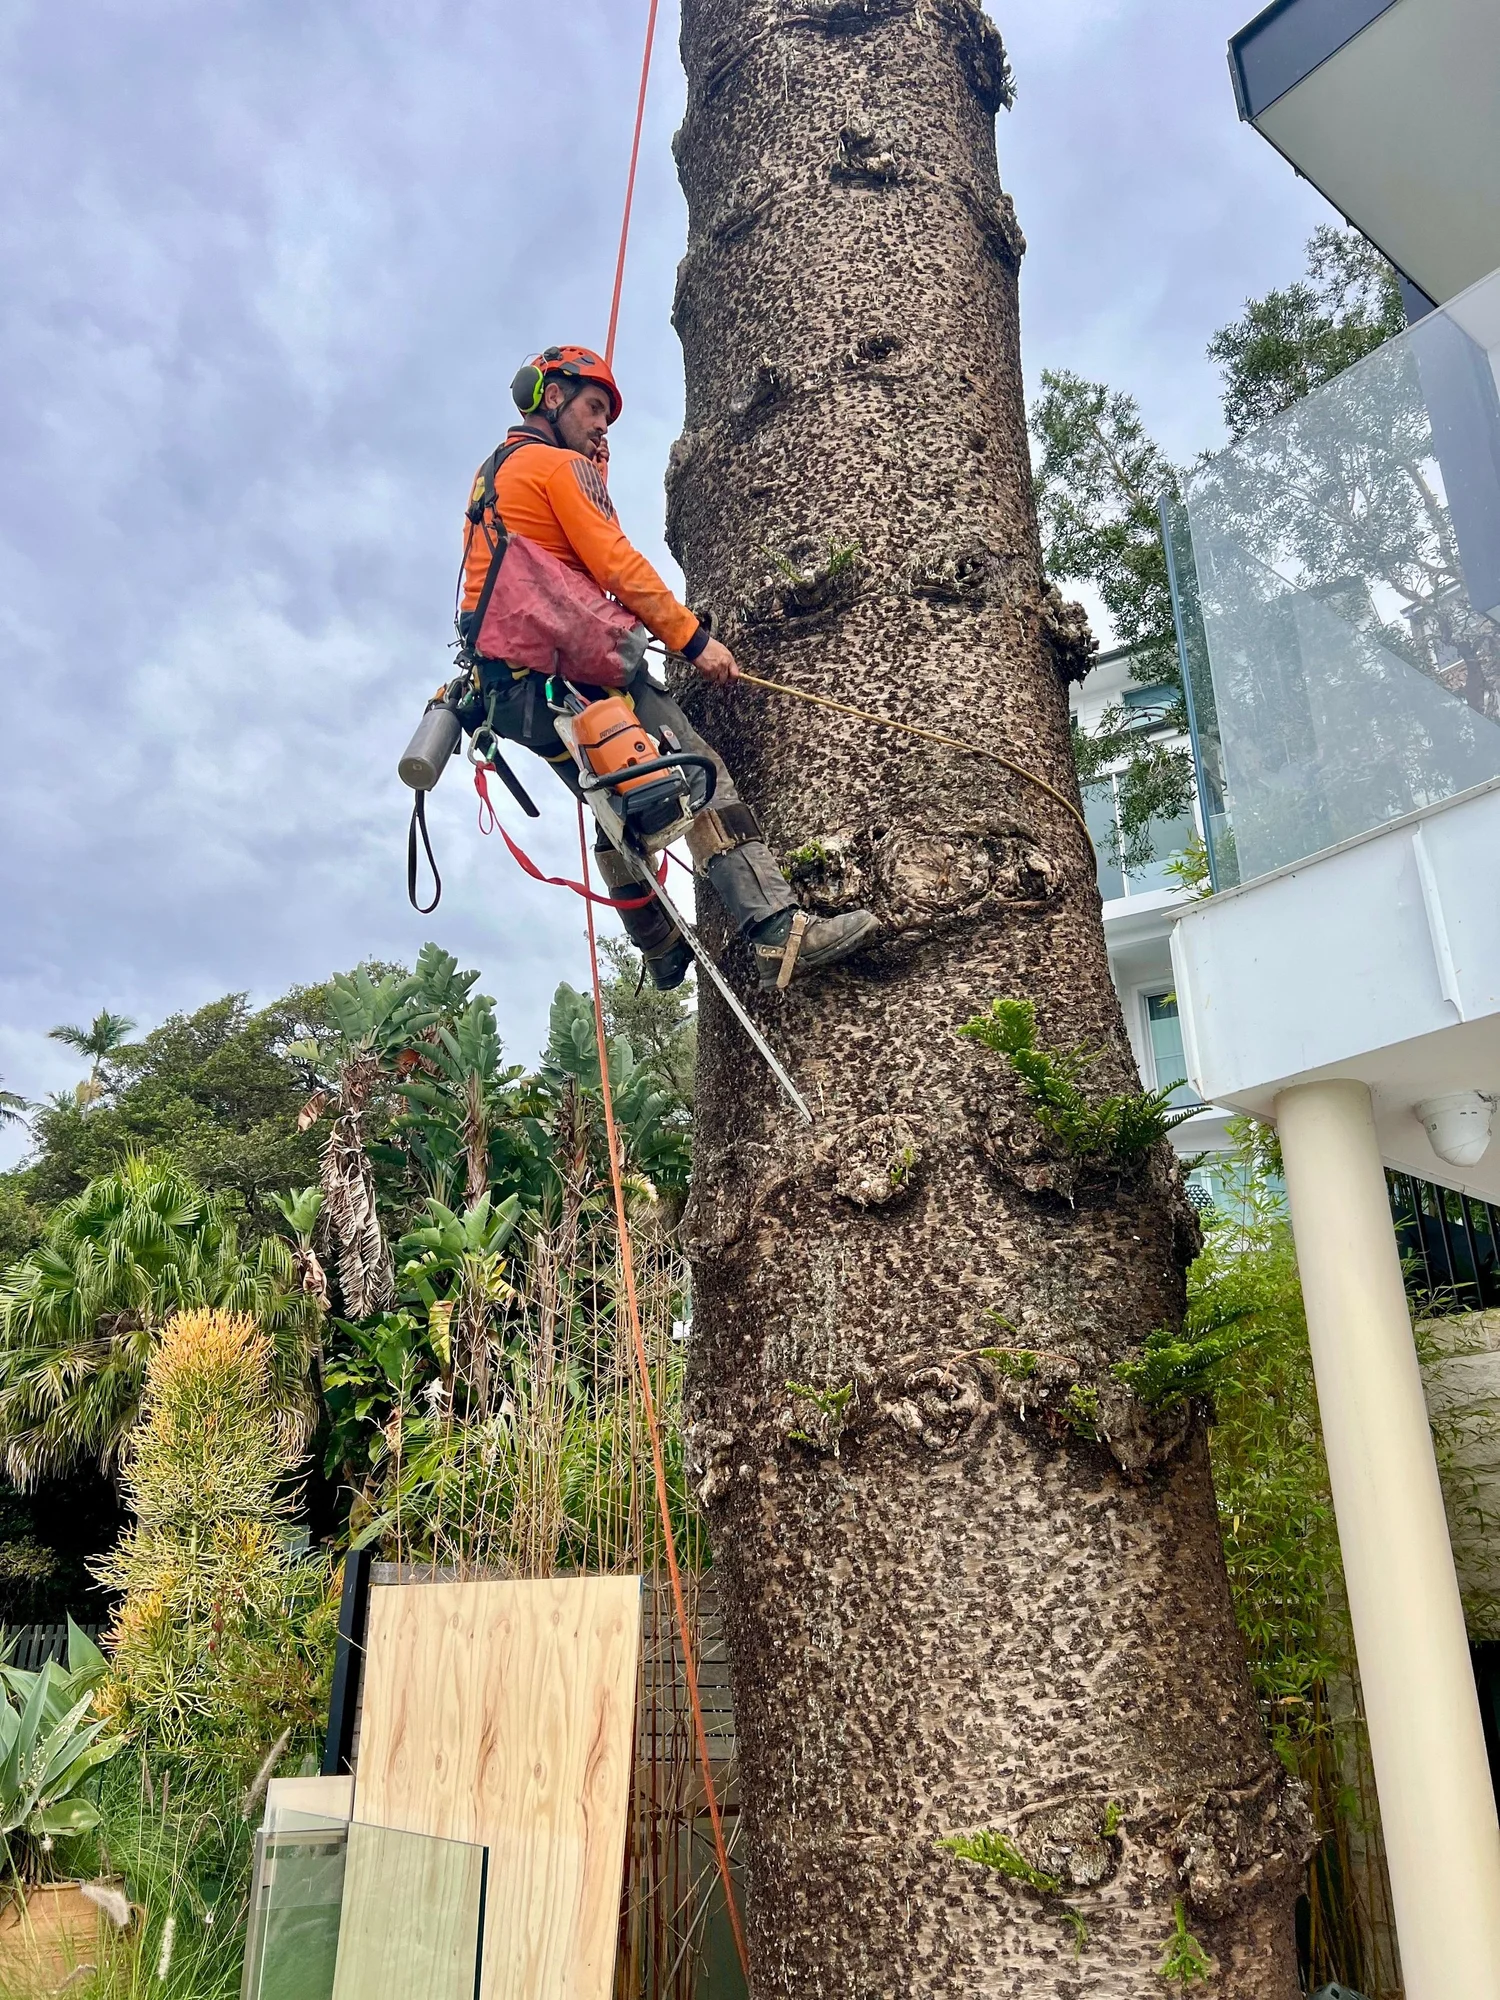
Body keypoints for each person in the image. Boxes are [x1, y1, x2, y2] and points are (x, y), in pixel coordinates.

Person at [457, 344, 877, 991]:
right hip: (579, 676)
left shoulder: (493, 477)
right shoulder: (557, 467)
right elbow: (616, 564)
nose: (602, 424)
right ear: (550, 395)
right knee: (697, 778)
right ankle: (777, 933)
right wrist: (691, 640)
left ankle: (657, 942)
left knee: (619, 808)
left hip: (513, 696)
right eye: (595, 407)